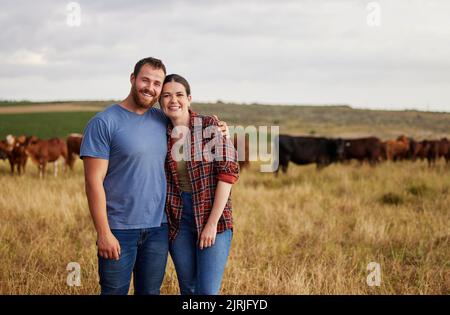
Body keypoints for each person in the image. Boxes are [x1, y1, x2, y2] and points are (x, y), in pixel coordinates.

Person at [80, 58, 228, 295]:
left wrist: (218, 128)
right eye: (145, 80)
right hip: (119, 228)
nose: (150, 87)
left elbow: (187, 117)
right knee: (114, 291)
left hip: (159, 228)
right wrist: (104, 233)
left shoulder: (161, 121)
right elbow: (92, 182)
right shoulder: (104, 122)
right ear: (132, 79)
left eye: (157, 83)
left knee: (150, 292)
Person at [160, 74, 239, 295]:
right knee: (188, 288)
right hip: (178, 218)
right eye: (166, 95)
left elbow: (228, 173)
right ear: (160, 102)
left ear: (189, 98)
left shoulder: (209, 125)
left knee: (206, 292)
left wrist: (212, 223)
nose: (173, 100)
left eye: (179, 94)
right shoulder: (160, 131)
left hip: (212, 213)